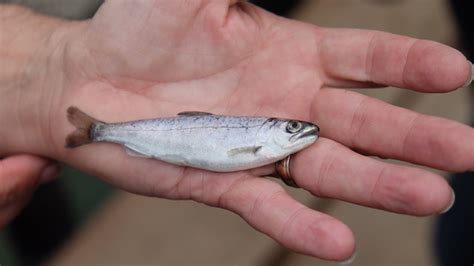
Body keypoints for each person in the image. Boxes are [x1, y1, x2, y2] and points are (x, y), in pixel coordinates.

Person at [0, 0, 473, 262]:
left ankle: (99, 130)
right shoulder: (258, 143)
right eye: (293, 127)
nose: (302, 129)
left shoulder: (264, 142)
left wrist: (48, 67)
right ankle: (100, 131)